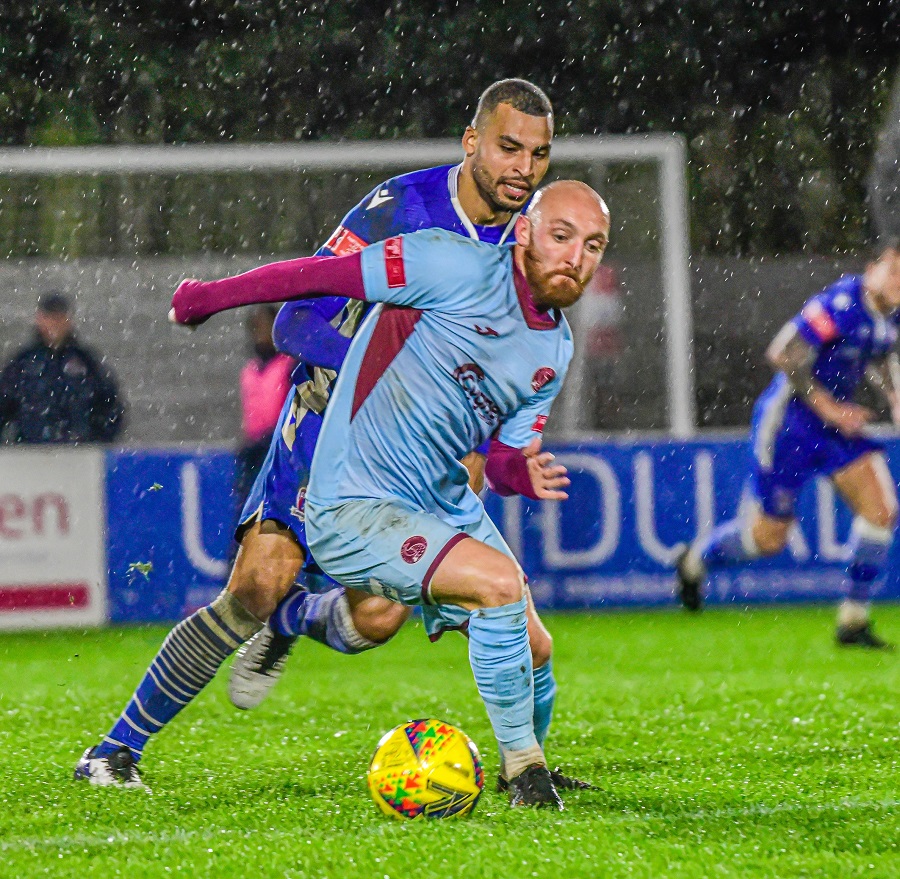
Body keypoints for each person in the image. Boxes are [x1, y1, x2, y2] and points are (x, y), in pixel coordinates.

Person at [75, 79, 571, 791]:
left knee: (377, 617)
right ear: (472, 143)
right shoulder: (401, 208)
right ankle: (114, 749)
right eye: (508, 147)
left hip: (421, 456)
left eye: (540, 154)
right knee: (255, 584)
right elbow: (295, 324)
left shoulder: (527, 242)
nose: (523, 168)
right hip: (329, 419)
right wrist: (390, 373)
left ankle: (300, 622)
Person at [170, 179, 611, 807]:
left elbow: (507, 454)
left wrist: (522, 475)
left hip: (440, 496)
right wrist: (208, 298)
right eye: (562, 236)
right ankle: (525, 774)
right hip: (357, 499)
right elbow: (313, 277)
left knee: (535, 645)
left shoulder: (553, 346)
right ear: (524, 231)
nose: (576, 257)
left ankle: (295, 618)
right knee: (497, 589)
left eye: (593, 245)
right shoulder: (446, 261)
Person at [675, 244, 900, 649]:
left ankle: (852, 621)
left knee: (881, 510)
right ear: (872, 269)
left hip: (836, 428)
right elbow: (784, 353)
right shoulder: (842, 302)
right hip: (790, 426)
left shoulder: (889, 317)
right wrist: (830, 407)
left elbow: (879, 355)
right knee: (767, 540)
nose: (899, 282)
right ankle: (694, 559)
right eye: (894, 271)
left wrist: (893, 396)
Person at [0, 292, 124, 444]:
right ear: (39, 320)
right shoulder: (22, 363)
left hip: (78, 457)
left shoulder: (86, 362)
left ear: (68, 320)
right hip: (31, 457)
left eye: (59, 318)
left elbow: (110, 407)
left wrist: (97, 443)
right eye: (49, 318)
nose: (54, 324)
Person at [234, 305, 295, 506]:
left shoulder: (289, 365)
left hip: (279, 448)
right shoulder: (250, 370)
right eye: (255, 328)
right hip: (254, 450)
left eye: (265, 326)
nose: (260, 333)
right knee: (247, 507)